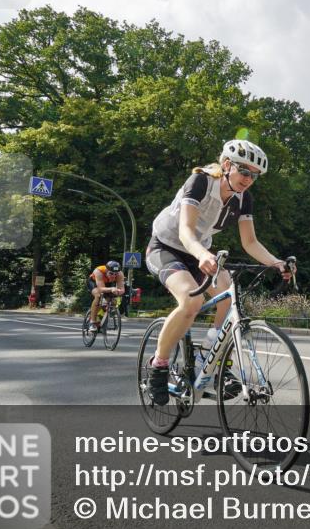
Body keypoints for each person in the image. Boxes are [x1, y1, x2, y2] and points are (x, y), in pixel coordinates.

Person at [144, 139, 293, 405]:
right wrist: (202, 254)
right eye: (244, 171)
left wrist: (276, 262)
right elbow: (185, 231)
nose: (248, 179)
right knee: (191, 301)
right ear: (227, 165)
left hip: (200, 252)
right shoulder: (200, 181)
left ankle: (208, 359)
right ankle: (159, 364)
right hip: (167, 247)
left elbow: (250, 243)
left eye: (254, 176)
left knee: (228, 294)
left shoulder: (243, 198)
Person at [87, 261, 125, 332]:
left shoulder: (120, 274)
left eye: (115, 274)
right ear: (106, 270)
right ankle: (92, 322)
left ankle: (101, 316)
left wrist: (119, 292)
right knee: (98, 296)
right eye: (111, 273)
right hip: (94, 283)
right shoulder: (99, 271)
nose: (113, 276)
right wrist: (112, 289)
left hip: (108, 284)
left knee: (112, 301)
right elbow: (101, 289)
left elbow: (122, 289)